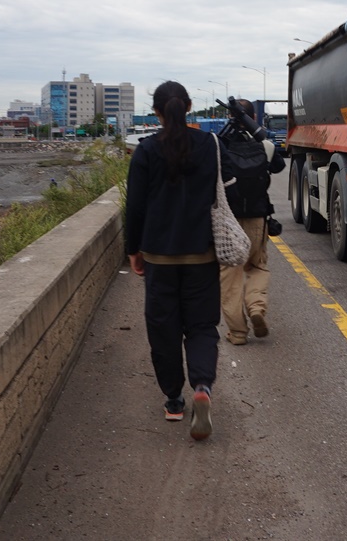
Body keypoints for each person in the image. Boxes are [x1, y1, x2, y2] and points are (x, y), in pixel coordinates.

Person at [124, 81, 227, 441]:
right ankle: (202, 386)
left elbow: (134, 207)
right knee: (201, 326)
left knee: (163, 329)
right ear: (188, 107)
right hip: (201, 253)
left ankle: (173, 399)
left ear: (156, 112)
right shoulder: (209, 145)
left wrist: (133, 250)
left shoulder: (146, 151)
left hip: (158, 256)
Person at [218, 99, 286, 345]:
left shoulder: (221, 143)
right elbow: (278, 167)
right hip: (258, 217)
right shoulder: (264, 144)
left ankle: (237, 332)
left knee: (230, 275)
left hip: (229, 220)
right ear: (253, 118)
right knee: (257, 266)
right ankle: (256, 307)